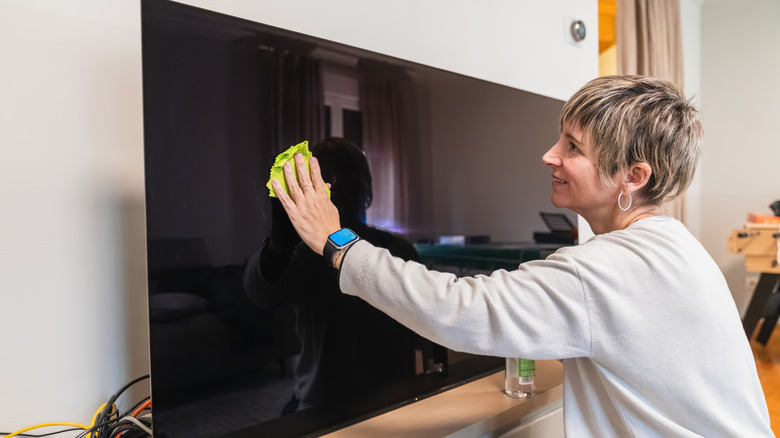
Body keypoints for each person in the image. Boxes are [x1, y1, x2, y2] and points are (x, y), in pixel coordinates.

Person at [270, 76, 773, 436]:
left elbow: (458, 310)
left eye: (572, 147)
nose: (549, 155)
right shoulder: (673, 243)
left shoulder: (606, 269)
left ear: (633, 177)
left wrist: (336, 241)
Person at [244, 137, 423, 413]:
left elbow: (424, 331)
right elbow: (262, 293)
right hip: (323, 405)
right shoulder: (304, 255)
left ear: (367, 191)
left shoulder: (400, 250)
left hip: (393, 402)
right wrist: (278, 246)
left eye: (348, 185)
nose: (339, 193)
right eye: (330, 185)